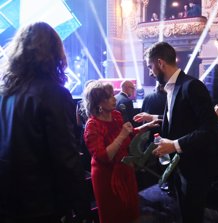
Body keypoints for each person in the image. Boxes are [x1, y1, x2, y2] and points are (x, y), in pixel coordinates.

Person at [0, 22, 89, 223]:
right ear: (54, 52)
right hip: (41, 203)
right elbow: (66, 159)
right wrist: (83, 208)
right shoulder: (54, 94)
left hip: (7, 199)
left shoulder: (4, 93)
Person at [133, 42, 218, 223]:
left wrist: (173, 145)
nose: (150, 72)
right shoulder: (173, 86)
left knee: (192, 215)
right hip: (183, 166)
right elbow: (181, 116)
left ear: (160, 63)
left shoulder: (192, 86)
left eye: (150, 66)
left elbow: (211, 128)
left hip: (195, 167)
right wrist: (156, 117)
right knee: (185, 213)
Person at [83, 81, 159, 223]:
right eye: (109, 97)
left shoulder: (116, 115)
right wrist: (122, 135)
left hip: (125, 168)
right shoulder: (92, 126)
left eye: (113, 95)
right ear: (99, 103)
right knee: (113, 214)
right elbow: (104, 156)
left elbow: (129, 134)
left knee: (131, 209)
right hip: (107, 176)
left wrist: (146, 126)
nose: (114, 99)